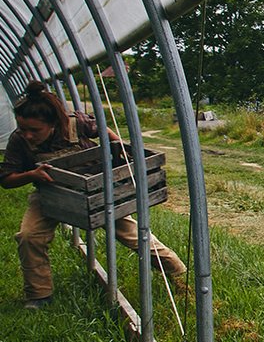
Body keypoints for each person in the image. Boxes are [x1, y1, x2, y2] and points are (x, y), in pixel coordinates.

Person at [0, 81, 186, 308]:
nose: (28, 135)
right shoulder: (19, 140)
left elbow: (106, 133)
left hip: (95, 194)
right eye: (23, 128)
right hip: (51, 195)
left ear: (53, 124)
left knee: (133, 235)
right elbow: (7, 179)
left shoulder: (76, 124)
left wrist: (121, 148)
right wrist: (32, 175)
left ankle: (178, 273)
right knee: (29, 236)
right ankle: (39, 295)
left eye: (35, 130)